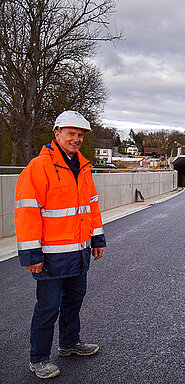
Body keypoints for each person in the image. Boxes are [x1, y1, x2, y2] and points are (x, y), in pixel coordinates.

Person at [14, 111, 106, 379]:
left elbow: (91, 207)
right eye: (71, 134)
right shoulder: (39, 167)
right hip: (51, 255)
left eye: (80, 135)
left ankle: (69, 343)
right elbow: (26, 212)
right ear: (57, 134)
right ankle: (39, 358)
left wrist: (97, 238)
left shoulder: (83, 167)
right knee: (48, 307)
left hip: (79, 251)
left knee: (74, 301)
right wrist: (32, 253)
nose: (76, 139)